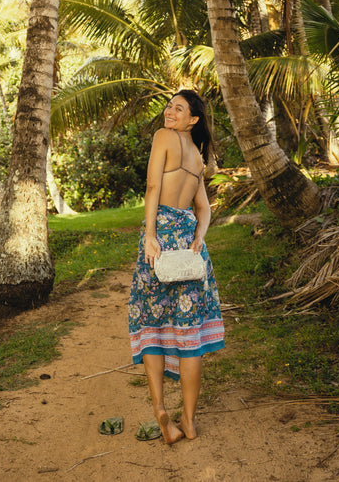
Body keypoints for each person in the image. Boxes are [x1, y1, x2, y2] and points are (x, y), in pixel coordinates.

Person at [128, 89, 225, 444]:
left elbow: (153, 185)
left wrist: (151, 234)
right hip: (187, 243)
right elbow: (204, 208)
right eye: (169, 106)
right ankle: (189, 419)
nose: (169, 112)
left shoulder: (163, 138)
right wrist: (199, 237)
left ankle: (162, 417)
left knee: (151, 322)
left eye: (179, 109)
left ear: (193, 119)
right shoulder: (197, 158)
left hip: (161, 237)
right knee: (189, 333)